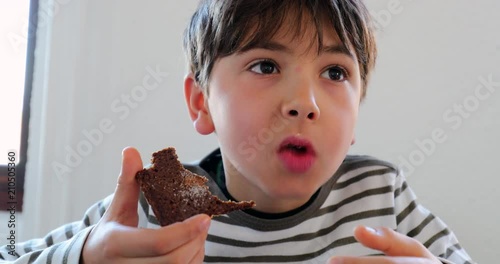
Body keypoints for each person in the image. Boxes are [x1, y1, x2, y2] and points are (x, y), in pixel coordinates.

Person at [1, 0, 475, 263]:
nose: (305, 104)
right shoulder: (151, 207)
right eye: (266, 65)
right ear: (201, 102)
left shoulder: (381, 195)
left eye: (334, 74)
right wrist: (85, 256)